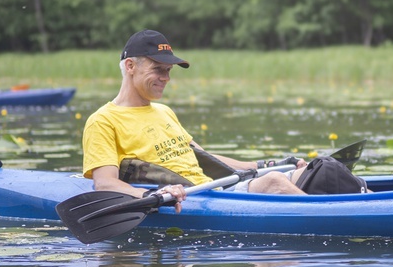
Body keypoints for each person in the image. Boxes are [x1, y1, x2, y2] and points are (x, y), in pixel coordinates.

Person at [82, 29, 307, 212]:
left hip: (214, 190)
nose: (166, 78)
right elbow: (104, 183)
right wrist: (153, 195)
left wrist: (265, 165)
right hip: (191, 201)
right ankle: (332, 219)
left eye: (169, 70)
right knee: (274, 183)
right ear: (130, 66)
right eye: (158, 69)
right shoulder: (103, 121)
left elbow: (203, 157)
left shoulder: (164, 111)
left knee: (304, 172)